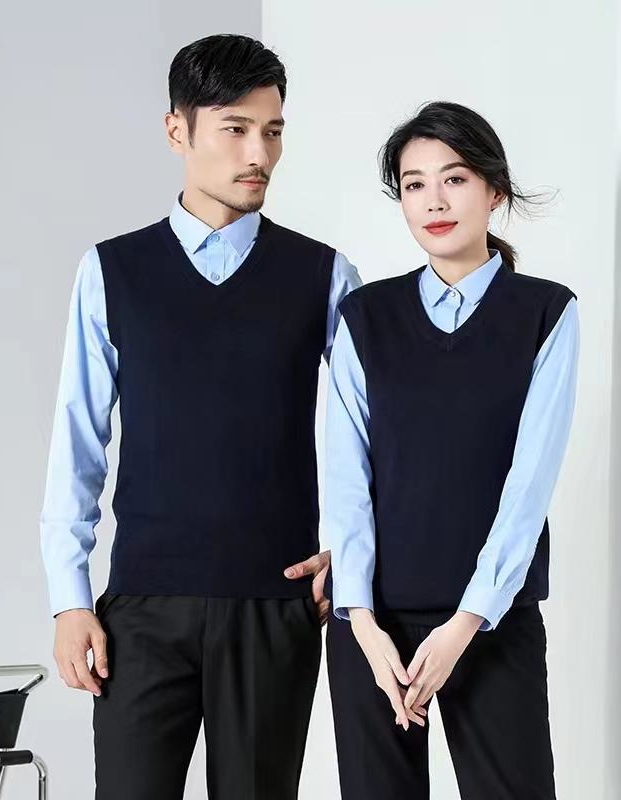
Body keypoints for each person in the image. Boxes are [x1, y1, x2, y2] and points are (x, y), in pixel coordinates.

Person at [40, 33, 360, 800]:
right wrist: (69, 599)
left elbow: (371, 433)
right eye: (235, 129)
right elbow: (77, 444)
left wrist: (353, 552)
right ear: (176, 130)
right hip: (141, 610)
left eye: (273, 131)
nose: (259, 154)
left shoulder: (324, 275)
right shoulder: (111, 271)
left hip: (273, 606)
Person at [324, 100, 579, 799]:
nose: (433, 201)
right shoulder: (364, 317)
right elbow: (345, 479)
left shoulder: (545, 313)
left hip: (492, 625)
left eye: (455, 179)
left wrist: (466, 621)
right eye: (414, 184)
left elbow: (527, 488)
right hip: (373, 631)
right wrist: (361, 621)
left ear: (494, 191)